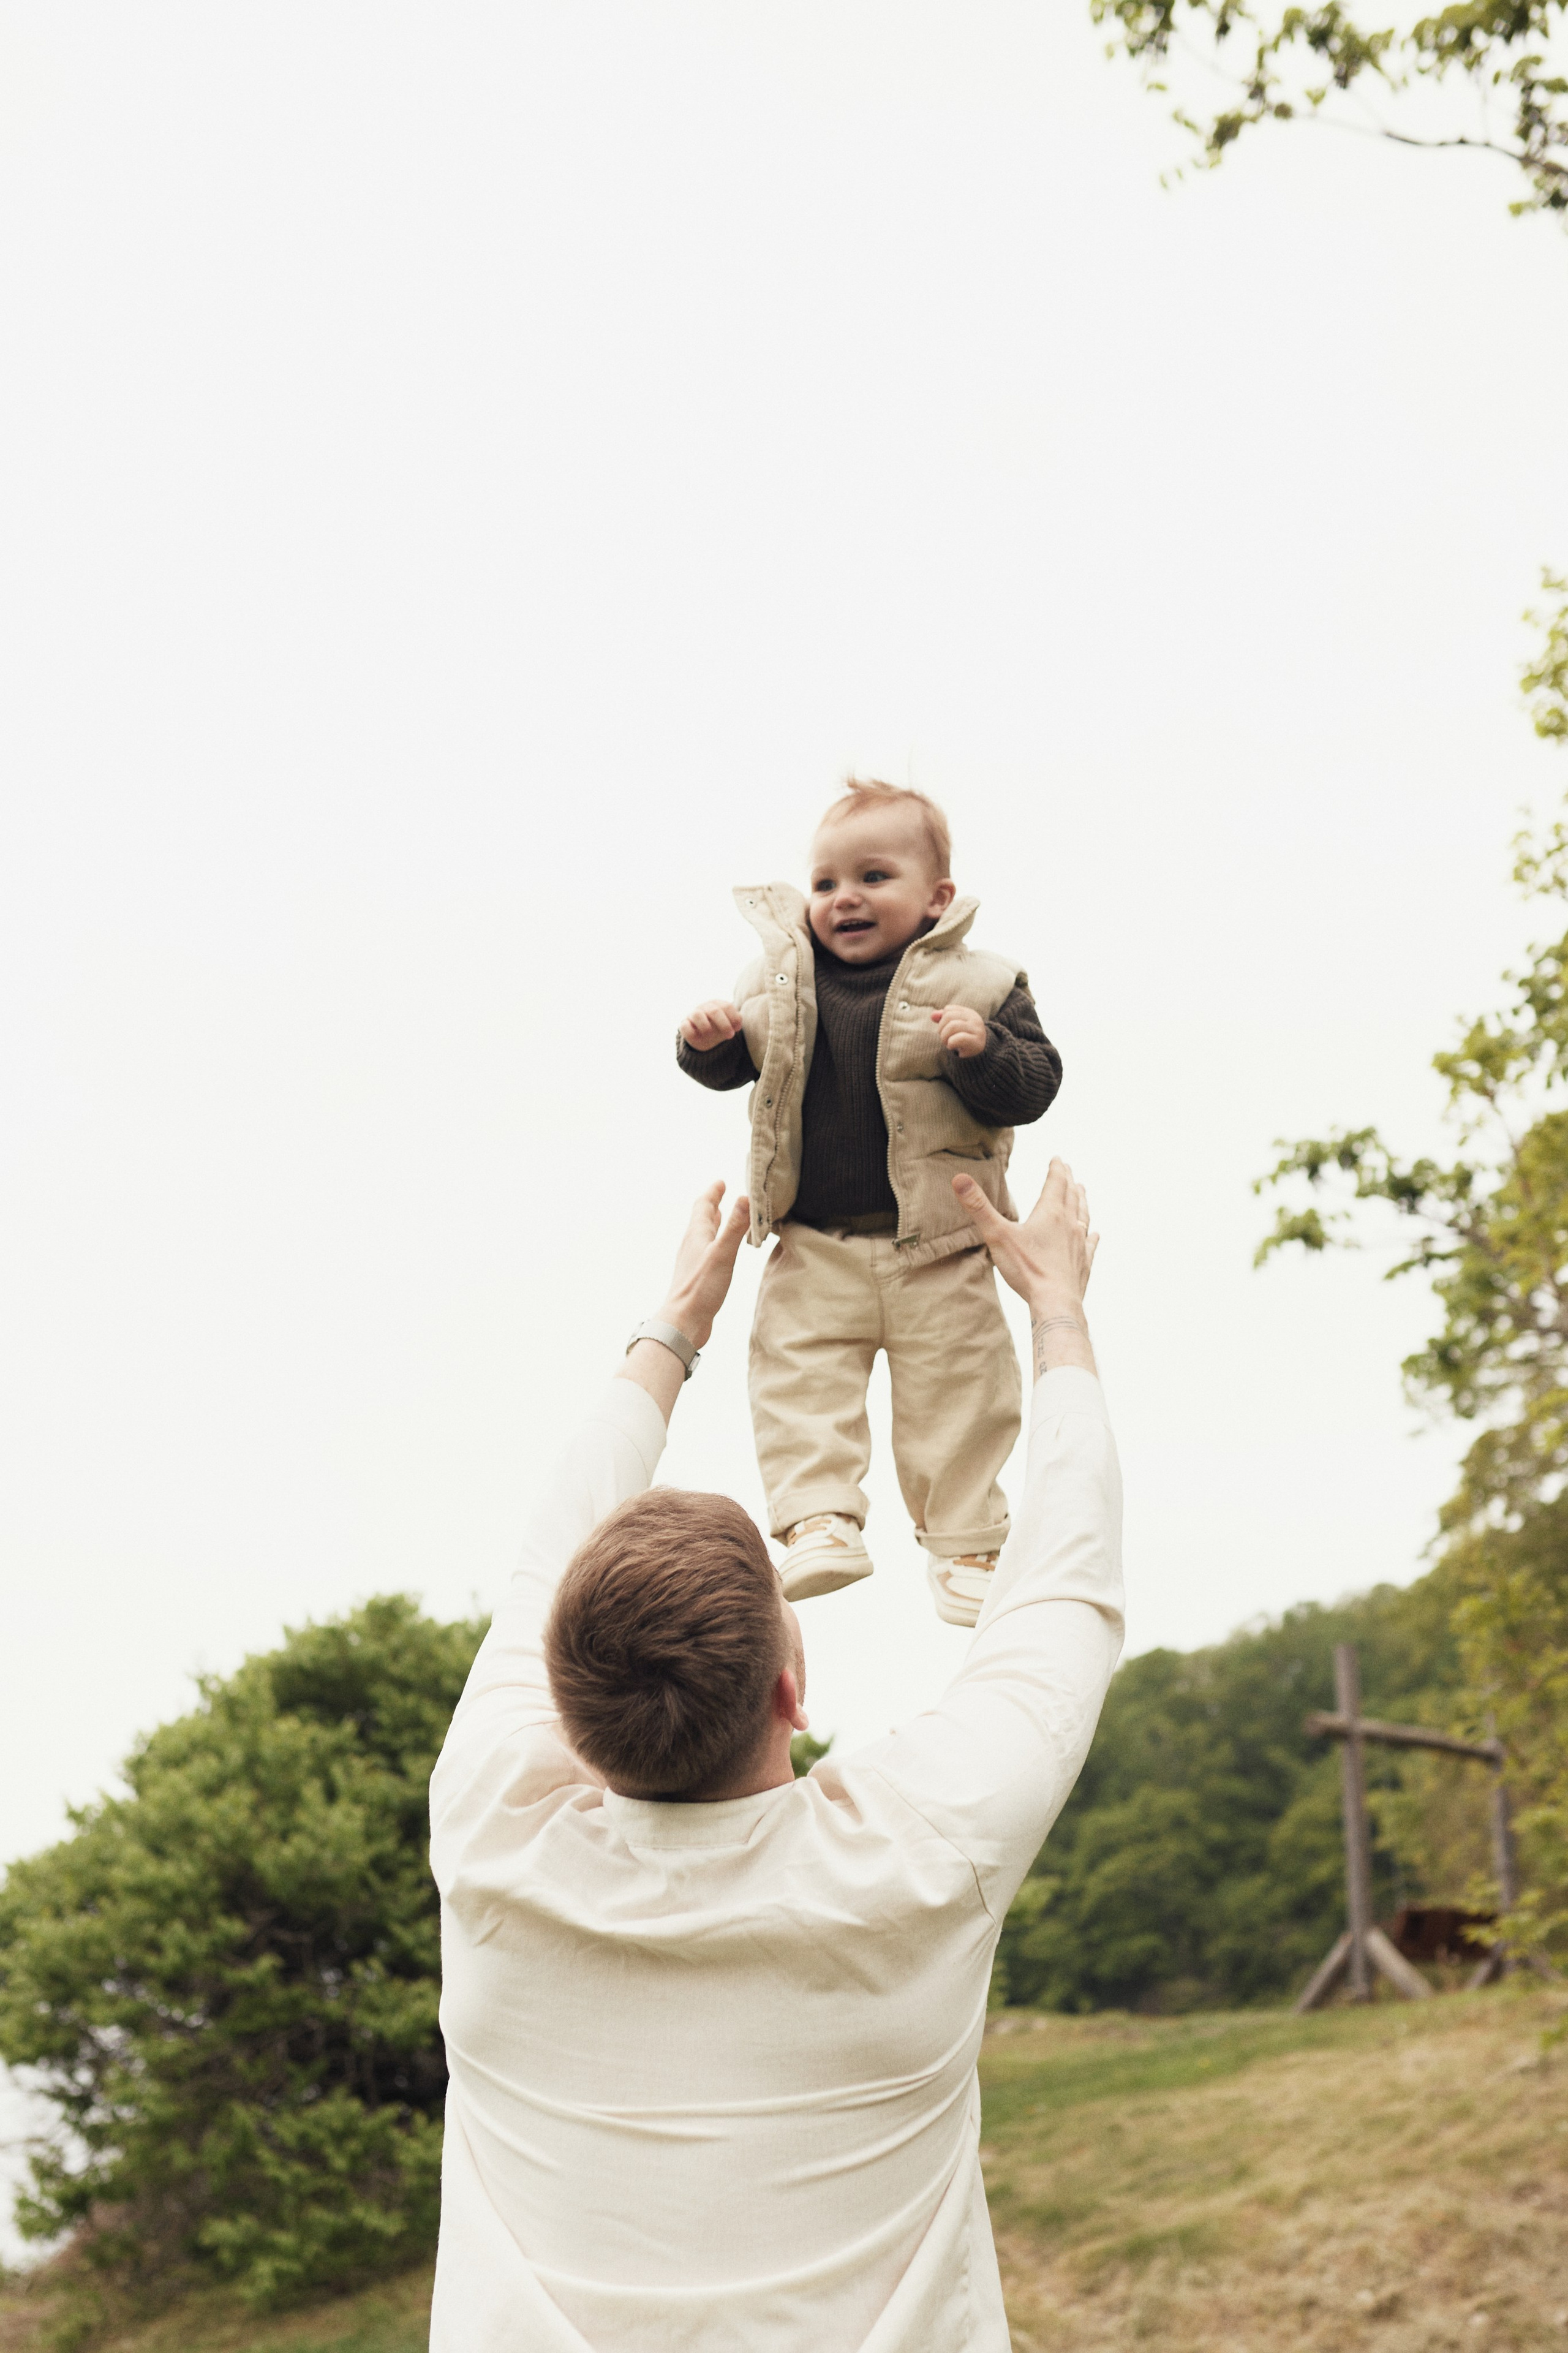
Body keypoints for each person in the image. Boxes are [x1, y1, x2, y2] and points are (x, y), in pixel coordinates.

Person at [428, 1156, 1122, 2352]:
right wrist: (1053, 1309)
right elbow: (1061, 1593)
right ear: (788, 1691)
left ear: (559, 1694)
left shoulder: (495, 1831)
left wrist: (672, 1328)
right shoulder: (914, 1857)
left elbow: (545, 1556)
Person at [676, 778, 1062, 1627]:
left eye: (874, 877)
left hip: (942, 1246)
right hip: (817, 1243)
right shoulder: (779, 981)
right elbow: (733, 1063)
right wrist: (708, 1042)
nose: (844, 897)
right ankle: (819, 1519)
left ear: (937, 898)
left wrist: (984, 1048)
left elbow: (1036, 1083)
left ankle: (967, 1545)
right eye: (824, 883)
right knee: (797, 1378)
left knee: (963, 1393)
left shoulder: (985, 982)